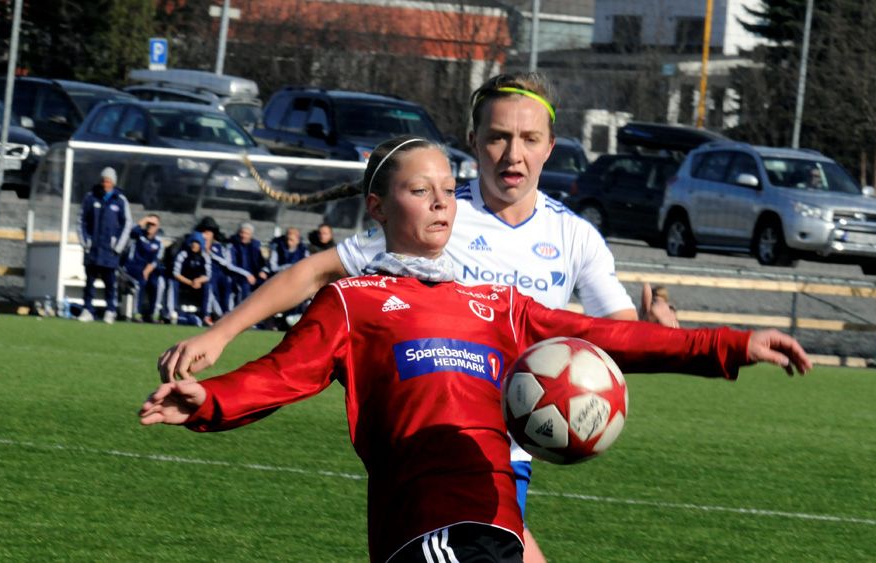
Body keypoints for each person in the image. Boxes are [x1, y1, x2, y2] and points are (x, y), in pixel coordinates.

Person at [140, 137, 812, 563]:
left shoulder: (496, 304)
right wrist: (211, 399)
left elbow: (609, 337)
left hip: (497, 523)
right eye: (419, 190)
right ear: (378, 208)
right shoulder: (354, 301)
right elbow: (284, 373)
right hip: (427, 527)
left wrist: (731, 344)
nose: (442, 202)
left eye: (446, 189)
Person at [157, 72, 674, 561]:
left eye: (529, 138)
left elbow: (613, 338)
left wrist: (657, 336)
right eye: (497, 137)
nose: (512, 153)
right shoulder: (436, 209)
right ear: (473, 141)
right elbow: (314, 272)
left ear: (550, 147)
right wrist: (221, 333)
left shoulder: (575, 236)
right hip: (441, 444)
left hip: (514, 446)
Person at [78, 166, 132, 324]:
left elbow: (127, 223)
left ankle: (110, 310)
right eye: (103, 181)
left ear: (113, 183)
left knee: (110, 282)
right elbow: (81, 221)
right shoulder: (91, 197)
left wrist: (118, 246)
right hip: (93, 249)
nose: (105, 184)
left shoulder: (120, 200)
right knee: (89, 282)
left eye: (108, 181)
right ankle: (88, 309)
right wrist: (85, 242)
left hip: (110, 251)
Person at [120, 214, 164, 322]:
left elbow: (156, 260)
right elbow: (132, 231)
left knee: (159, 283)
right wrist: (145, 219)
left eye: (153, 224)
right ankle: (136, 313)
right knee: (140, 283)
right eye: (149, 224)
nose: (150, 226)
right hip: (131, 268)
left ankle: (153, 314)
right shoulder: (138, 235)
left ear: (158, 227)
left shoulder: (158, 242)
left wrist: (148, 269)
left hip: (147, 270)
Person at [167, 232, 211, 326]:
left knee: (208, 286)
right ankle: (171, 313)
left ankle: (206, 315)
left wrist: (198, 280)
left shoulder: (204, 256)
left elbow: (208, 275)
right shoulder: (183, 254)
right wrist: (190, 282)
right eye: (193, 242)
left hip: (198, 283)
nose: (194, 245)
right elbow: (176, 274)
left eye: (197, 243)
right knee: (172, 282)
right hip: (184, 281)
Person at [227, 222, 267, 305]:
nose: (244, 235)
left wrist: (262, 271)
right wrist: (247, 274)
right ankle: (242, 308)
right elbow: (231, 265)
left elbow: (261, 262)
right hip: (239, 275)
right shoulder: (233, 246)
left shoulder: (255, 247)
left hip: (253, 274)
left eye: (247, 234)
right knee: (245, 285)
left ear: (251, 235)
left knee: (266, 283)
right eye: (242, 233)